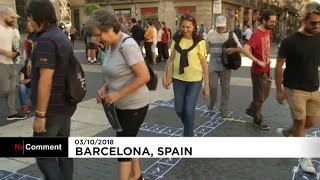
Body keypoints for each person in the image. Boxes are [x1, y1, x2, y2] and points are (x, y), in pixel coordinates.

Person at [87, 9, 150, 180]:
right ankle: (137, 175)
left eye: (99, 35)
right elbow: (118, 72)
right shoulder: (111, 45)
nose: (97, 39)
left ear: (109, 28)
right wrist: (105, 88)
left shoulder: (127, 45)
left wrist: (117, 94)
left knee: (123, 148)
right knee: (128, 141)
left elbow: (144, 76)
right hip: (119, 104)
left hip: (135, 104)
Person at [26, 0, 77, 179]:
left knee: (44, 154)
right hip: (65, 105)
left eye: (30, 17)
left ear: (39, 17)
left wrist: (40, 115)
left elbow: (45, 80)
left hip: (51, 109)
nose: (28, 22)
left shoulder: (46, 40)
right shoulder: (59, 35)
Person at [275, 2, 320, 174]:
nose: (317, 26)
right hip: (294, 88)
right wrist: (279, 90)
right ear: (303, 20)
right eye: (313, 23)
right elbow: (278, 66)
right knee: (300, 121)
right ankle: (304, 157)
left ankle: (288, 132)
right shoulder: (289, 41)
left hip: (314, 87)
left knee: (311, 121)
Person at [163, 14, 209, 137]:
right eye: (183, 27)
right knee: (179, 109)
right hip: (178, 79)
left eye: (188, 27)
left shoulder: (200, 41)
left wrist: (207, 86)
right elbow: (171, 58)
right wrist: (166, 75)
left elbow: (204, 64)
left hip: (195, 80)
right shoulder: (176, 39)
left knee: (188, 111)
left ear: (194, 27)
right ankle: (189, 126)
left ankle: (188, 137)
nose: (185, 29)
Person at [241, 9, 277, 130]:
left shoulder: (267, 31)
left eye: (274, 21)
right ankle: (257, 119)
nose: (273, 24)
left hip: (267, 69)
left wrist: (267, 59)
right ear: (264, 20)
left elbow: (264, 47)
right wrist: (257, 61)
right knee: (260, 97)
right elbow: (245, 49)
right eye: (271, 21)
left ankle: (251, 110)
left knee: (264, 95)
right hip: (258, 71)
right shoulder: (256, 34)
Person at [206, 15, 242, 117]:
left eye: (222, 27)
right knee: (212, 87)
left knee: (225, 88)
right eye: (218, 27)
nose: (221, 29)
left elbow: (240, 48)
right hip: (213, 64)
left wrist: (233, 50)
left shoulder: (231, 35)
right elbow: (205, 51)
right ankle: (212, 102)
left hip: (226, 65)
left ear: (225, 25)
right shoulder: (210, 35)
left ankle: (224, 109)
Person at [0, 7, 27, 121]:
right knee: (5, 90)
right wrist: (6, 52)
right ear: (4, 15)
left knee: (11, 89)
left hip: (11, 63)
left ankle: (12, 113)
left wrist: (16, 52)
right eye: (11, 17)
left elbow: (12, 46)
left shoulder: (11, 30)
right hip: (1, 63)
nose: (13, 20)